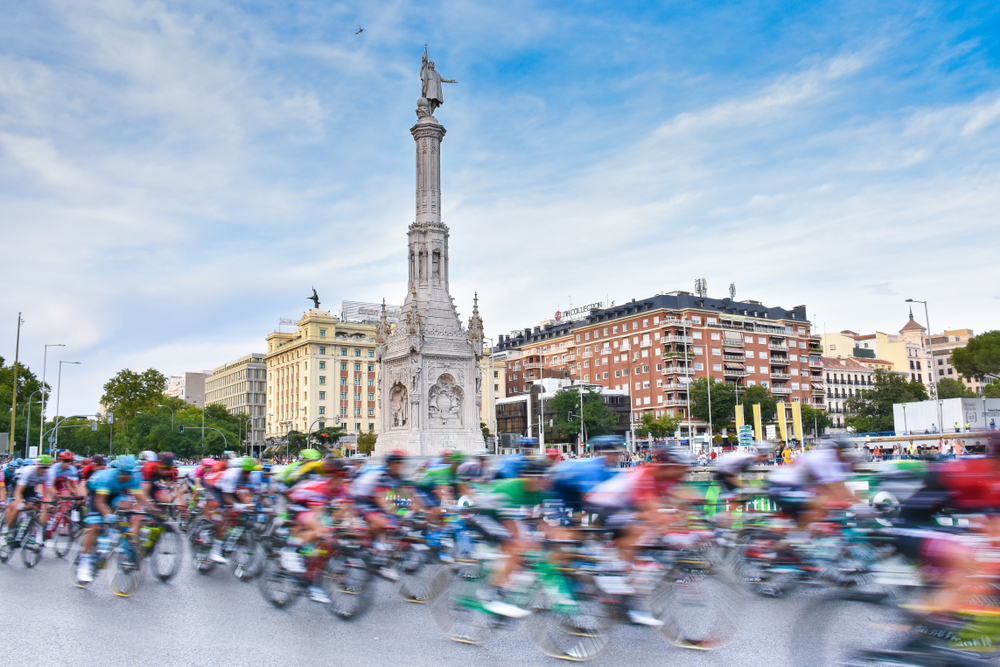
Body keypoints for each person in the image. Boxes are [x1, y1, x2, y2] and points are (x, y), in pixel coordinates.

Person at [76, 455, 156, 583]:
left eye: (130, 473)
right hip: (97, 493)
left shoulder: (133, 477)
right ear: (119, 471)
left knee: (126, 509)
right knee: (95, 526)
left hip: (115, 493)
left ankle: (117, 541)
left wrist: (151, 508)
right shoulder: (107, 478)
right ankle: (83, 563)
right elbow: (100, 502)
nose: (128, 476)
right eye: (125, 473)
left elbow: (140, 497)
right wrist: (108, 516)